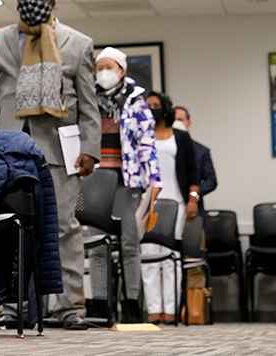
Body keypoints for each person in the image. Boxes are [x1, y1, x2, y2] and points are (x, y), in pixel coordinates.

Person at [0, 0, 100, 331]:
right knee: (7, 228)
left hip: (57, 149)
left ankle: (68, 308)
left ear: (53, 2)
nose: (32, 0)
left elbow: (88, 105)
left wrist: (90, 149)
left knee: (64, 227)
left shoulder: (77, 44)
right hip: (6, 148)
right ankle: (11, 305)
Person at [85, 47, 160, 324]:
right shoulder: (87, 97)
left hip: (126, 182)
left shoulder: (136, 99)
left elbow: (147, 143)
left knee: (130, 243)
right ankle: (100, 305)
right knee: (95, 244)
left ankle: (130, 305)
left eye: (110, 66)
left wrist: (154, 180)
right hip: (93, 180)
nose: (104, 72)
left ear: (122, 70)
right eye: (100, 67)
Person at [141, 92, 199, 324]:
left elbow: (193, 173)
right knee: (148, 254)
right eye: (148, 106)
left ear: (165, 108)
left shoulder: (182, 138)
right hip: (148, 202)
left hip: (176, 202)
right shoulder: (141, 136)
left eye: (156, 105)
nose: (152, 109)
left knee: (171, 256)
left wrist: (193, 199)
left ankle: (171, 309)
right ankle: (154, 310)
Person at [173, 105, 217, 217]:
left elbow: (211, 181)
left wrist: (193, 194)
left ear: (188, 123)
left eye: (180, 120)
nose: (176, 124)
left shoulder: (201, 151)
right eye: (173, 120)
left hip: (193, 207)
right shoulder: (162, 148)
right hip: (168, 205)